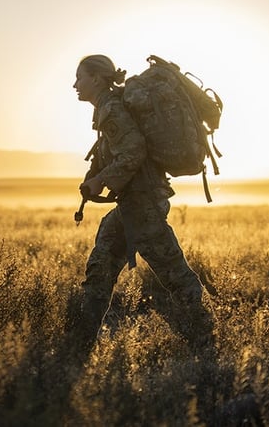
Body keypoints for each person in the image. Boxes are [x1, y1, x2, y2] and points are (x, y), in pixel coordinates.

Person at [72, 54, 213, 351]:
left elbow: (133, 151)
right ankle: (79, 343)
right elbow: (117, 150)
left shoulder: (111, 108)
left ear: (96, 78)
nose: (75, 84)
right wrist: (95, 174)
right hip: (133, 205)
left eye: (80, 77)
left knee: (175, 275)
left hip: (143, 205)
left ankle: (208, 338)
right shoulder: (108, 107)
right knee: (101, 265)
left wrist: (102, 180)